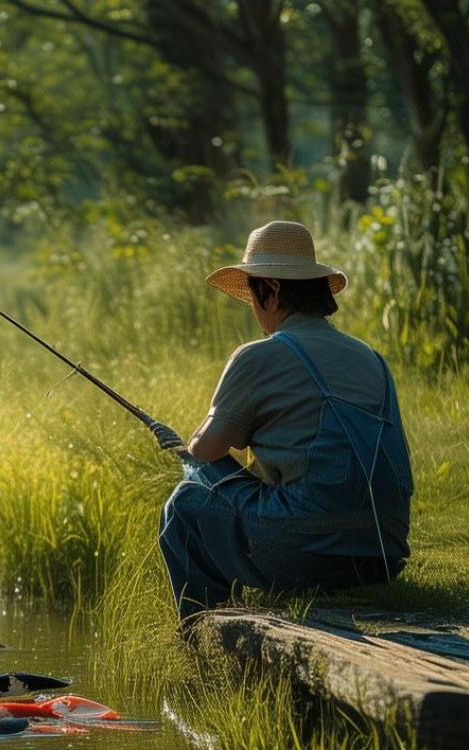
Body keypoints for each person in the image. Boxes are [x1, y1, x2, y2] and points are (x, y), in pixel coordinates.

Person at [157, 220, 413, 622]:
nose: (254, 310)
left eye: (253, 295)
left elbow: (205, 451)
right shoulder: (371, 360)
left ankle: (200, 637)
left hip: (308, 556)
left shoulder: (258, 356)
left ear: (272, 290)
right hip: (382, 555)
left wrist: (185, 448)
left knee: (185, 502)